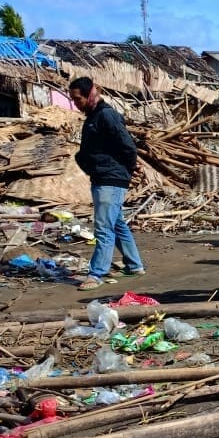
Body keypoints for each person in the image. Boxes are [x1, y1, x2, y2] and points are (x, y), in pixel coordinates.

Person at [70, 77, 145, 291]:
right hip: (103, 177)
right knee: (116, 223)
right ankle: (134, 264)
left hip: (110, 179)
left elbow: (128, 146)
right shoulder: (93, 118)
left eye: (78, 99)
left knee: (103, 227)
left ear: (89, 95)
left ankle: (96, 274)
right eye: (73, 99)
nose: (76, 103)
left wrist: (129, 169)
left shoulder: (107, 115)